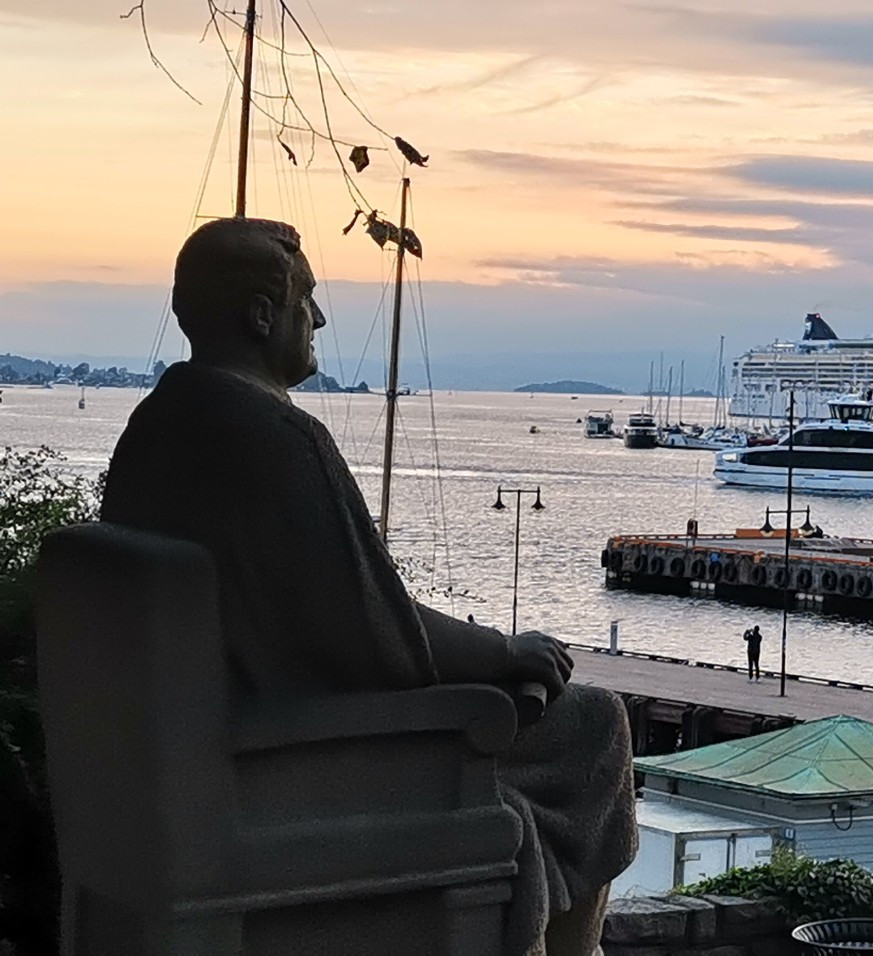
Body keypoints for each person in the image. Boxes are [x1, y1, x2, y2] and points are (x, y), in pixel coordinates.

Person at [100, 218, 636, 956]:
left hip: (188, 756)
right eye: (306, 299)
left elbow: (348, 614)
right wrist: (507, 651)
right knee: (596, 724)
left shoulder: (156, 426)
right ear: (261, 314)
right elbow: (385, 641)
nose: (317, 319)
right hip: (286, 767)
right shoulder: (278, 440)